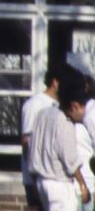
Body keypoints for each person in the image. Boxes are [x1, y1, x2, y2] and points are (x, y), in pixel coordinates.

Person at [29, 73, 92, 211]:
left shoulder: (42, 114)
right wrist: (82, 185)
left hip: (42, 181)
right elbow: (70, 159)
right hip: (60, 185)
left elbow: (32, 149)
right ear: (74, 106)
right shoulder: (64, 121)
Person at [23, 66, 72, 208]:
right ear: (55, 83)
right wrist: (34, 178)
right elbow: (27, 143)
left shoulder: (59, 105)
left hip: (53, 179)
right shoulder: (34, 105)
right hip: (37, 179)